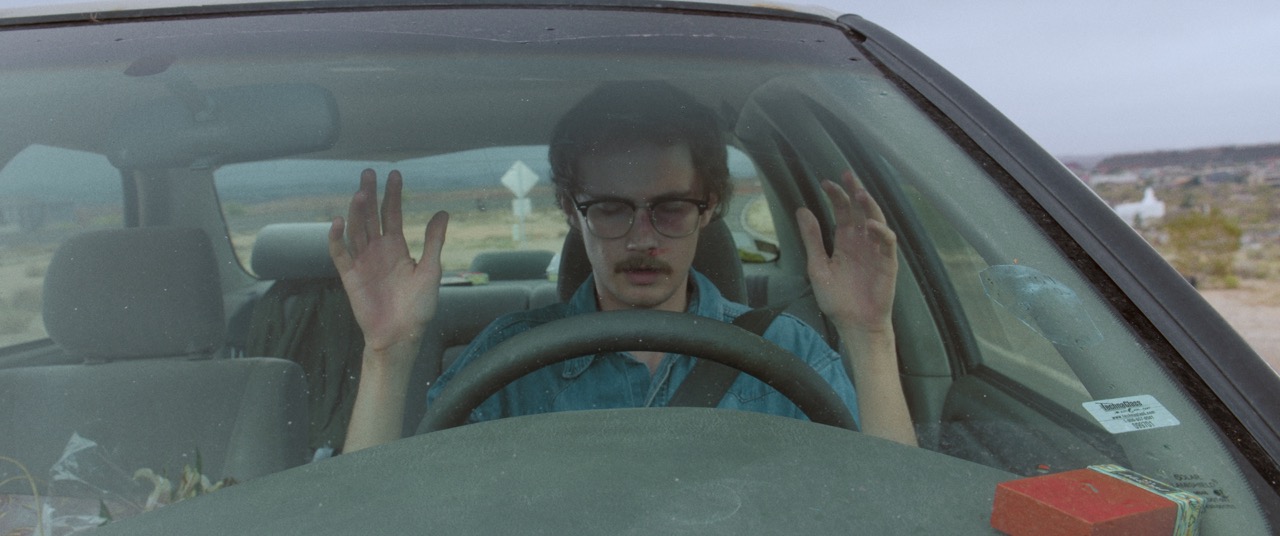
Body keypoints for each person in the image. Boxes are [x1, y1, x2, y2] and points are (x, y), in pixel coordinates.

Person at [330, 83, 917, 453]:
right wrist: (387, 351)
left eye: (670, 208)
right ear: (570, 210)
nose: (642, 238)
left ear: (709, 207)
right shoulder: (506, 360)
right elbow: (393, 513)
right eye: (611, 208)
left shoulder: (791, 351)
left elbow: (891, 506)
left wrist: (869, 333)